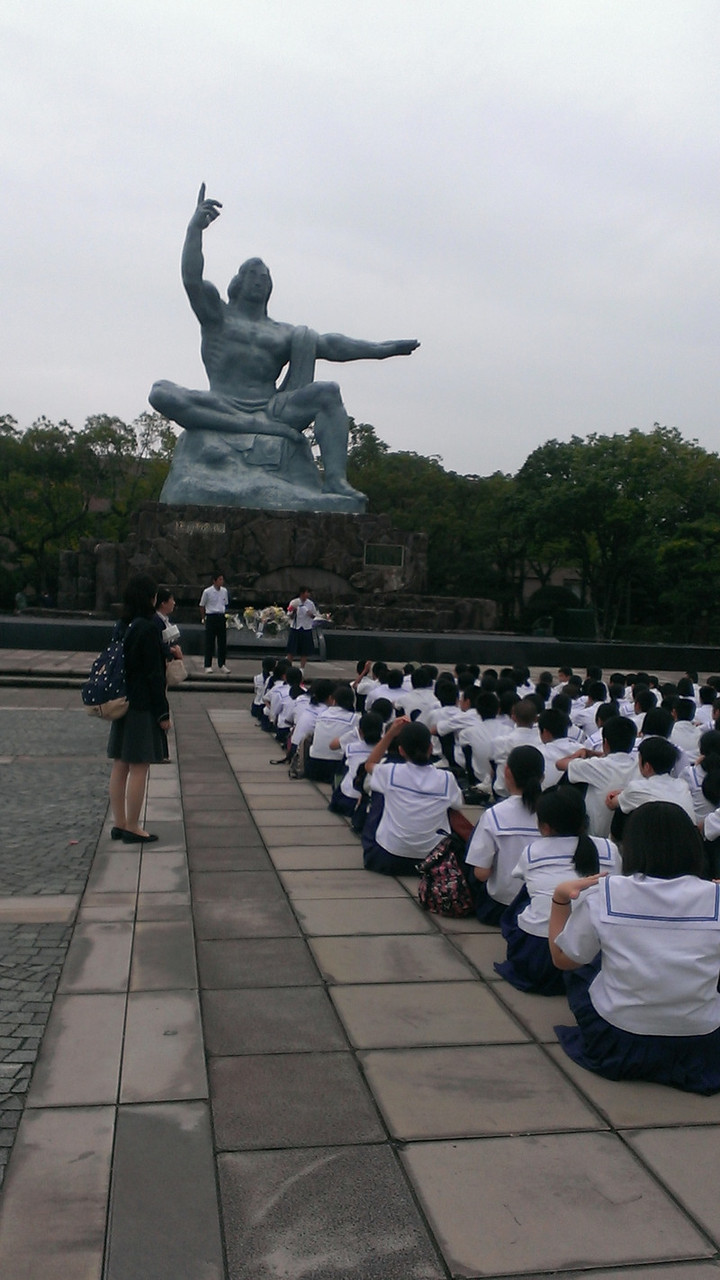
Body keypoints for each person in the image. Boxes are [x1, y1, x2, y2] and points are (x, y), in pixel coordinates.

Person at [150, 185, 419, 503]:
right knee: (160, 392)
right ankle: (246, 425)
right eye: (252, 274)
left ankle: (335, 480)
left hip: (271, 409)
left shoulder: (282, 333)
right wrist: (195, 229)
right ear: (238, 281)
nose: (259, 279)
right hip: (220, 402)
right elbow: (191, 280)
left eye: (265, 276)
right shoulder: (217, 316)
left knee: (328, 393)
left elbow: (332, 345)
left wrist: (382, 350)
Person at [550, 802, 720, 1093]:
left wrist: (560, 899)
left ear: (631, 847)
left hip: (620, 1037)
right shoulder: (716, 898)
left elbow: (563, 959)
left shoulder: (606, 894)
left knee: (585, 965)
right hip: (699, 1041)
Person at [494, 787, 620, 996]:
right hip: (593, 955)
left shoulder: (533, 852)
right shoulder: (609, 849)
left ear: (545, 827)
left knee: (527, 893)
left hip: (540, 955)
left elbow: (521, 877)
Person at [107, 575, 169, 844]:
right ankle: (133, 826)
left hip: (122, 701)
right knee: (139, 766)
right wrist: (163, 712)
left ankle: (119, 823)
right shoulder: (147, 628)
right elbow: (154, 675)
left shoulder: (124, 625)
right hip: (141, 705)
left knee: (120, 764)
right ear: (149, 598)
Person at [362, 718, 464, 875]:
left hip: (389, 857)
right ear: (431, 748)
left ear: (401, 751)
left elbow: (369, 764)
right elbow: (457, 805)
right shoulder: (446, 779)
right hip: (433, 860)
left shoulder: (391, 772)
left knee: (377, 802)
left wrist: (390, 734)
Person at [465, 745, 545, 924]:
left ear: (507, 772)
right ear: (542, 777)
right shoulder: (553, 813)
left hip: (500, 908)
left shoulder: (494, 815)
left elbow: (481, 873)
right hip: (543, 906)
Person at [199, 572, 230, 673]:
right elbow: (202, 605)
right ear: (214, 581)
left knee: (222, 642)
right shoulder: (207, 592)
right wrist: (203, 618)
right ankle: (208, 665)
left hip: (221, 617)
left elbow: (225, 603)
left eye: (222, 579)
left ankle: (222, 664)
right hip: (211, 616)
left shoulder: (224, 591)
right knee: (209, 642)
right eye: (220, 579)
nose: (222, 581)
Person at [286, 587, 317, 670]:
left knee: (304, 651)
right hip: (295, 628)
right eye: (307, 592)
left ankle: (302, 669)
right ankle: (288, 667)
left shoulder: (310, 604)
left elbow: (314, 615)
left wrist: (310, 614)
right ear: (302, 593)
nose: (308, 594)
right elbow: (289, 615)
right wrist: (294, 611)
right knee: (291, 650)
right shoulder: (294, 602)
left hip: (306, 628)